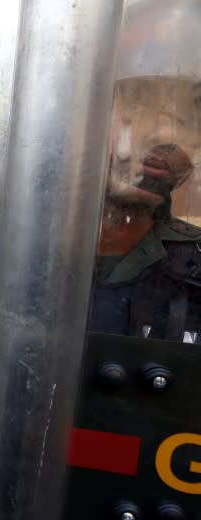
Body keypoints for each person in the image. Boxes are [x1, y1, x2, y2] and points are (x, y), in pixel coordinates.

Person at [89, 76, 201, 341]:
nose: (162, 136)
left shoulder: (193, 258)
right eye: (133, 111)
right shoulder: (8, 248)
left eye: (181, 123)